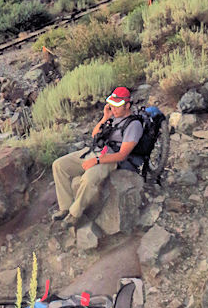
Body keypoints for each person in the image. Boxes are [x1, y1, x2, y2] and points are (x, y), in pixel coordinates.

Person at [51, 87, 143, 228]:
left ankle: (74, 215)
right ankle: (65, 207)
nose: (114, 108)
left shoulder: (134, 125)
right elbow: (95, 134)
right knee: (59, 165)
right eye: (112, 105)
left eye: (117, 106)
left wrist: (97, 161)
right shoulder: (112, 117)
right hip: (95, 151)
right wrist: (105, 117)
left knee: (88, 179)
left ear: (127, 105)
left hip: (110, 158)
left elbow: (122, 154)